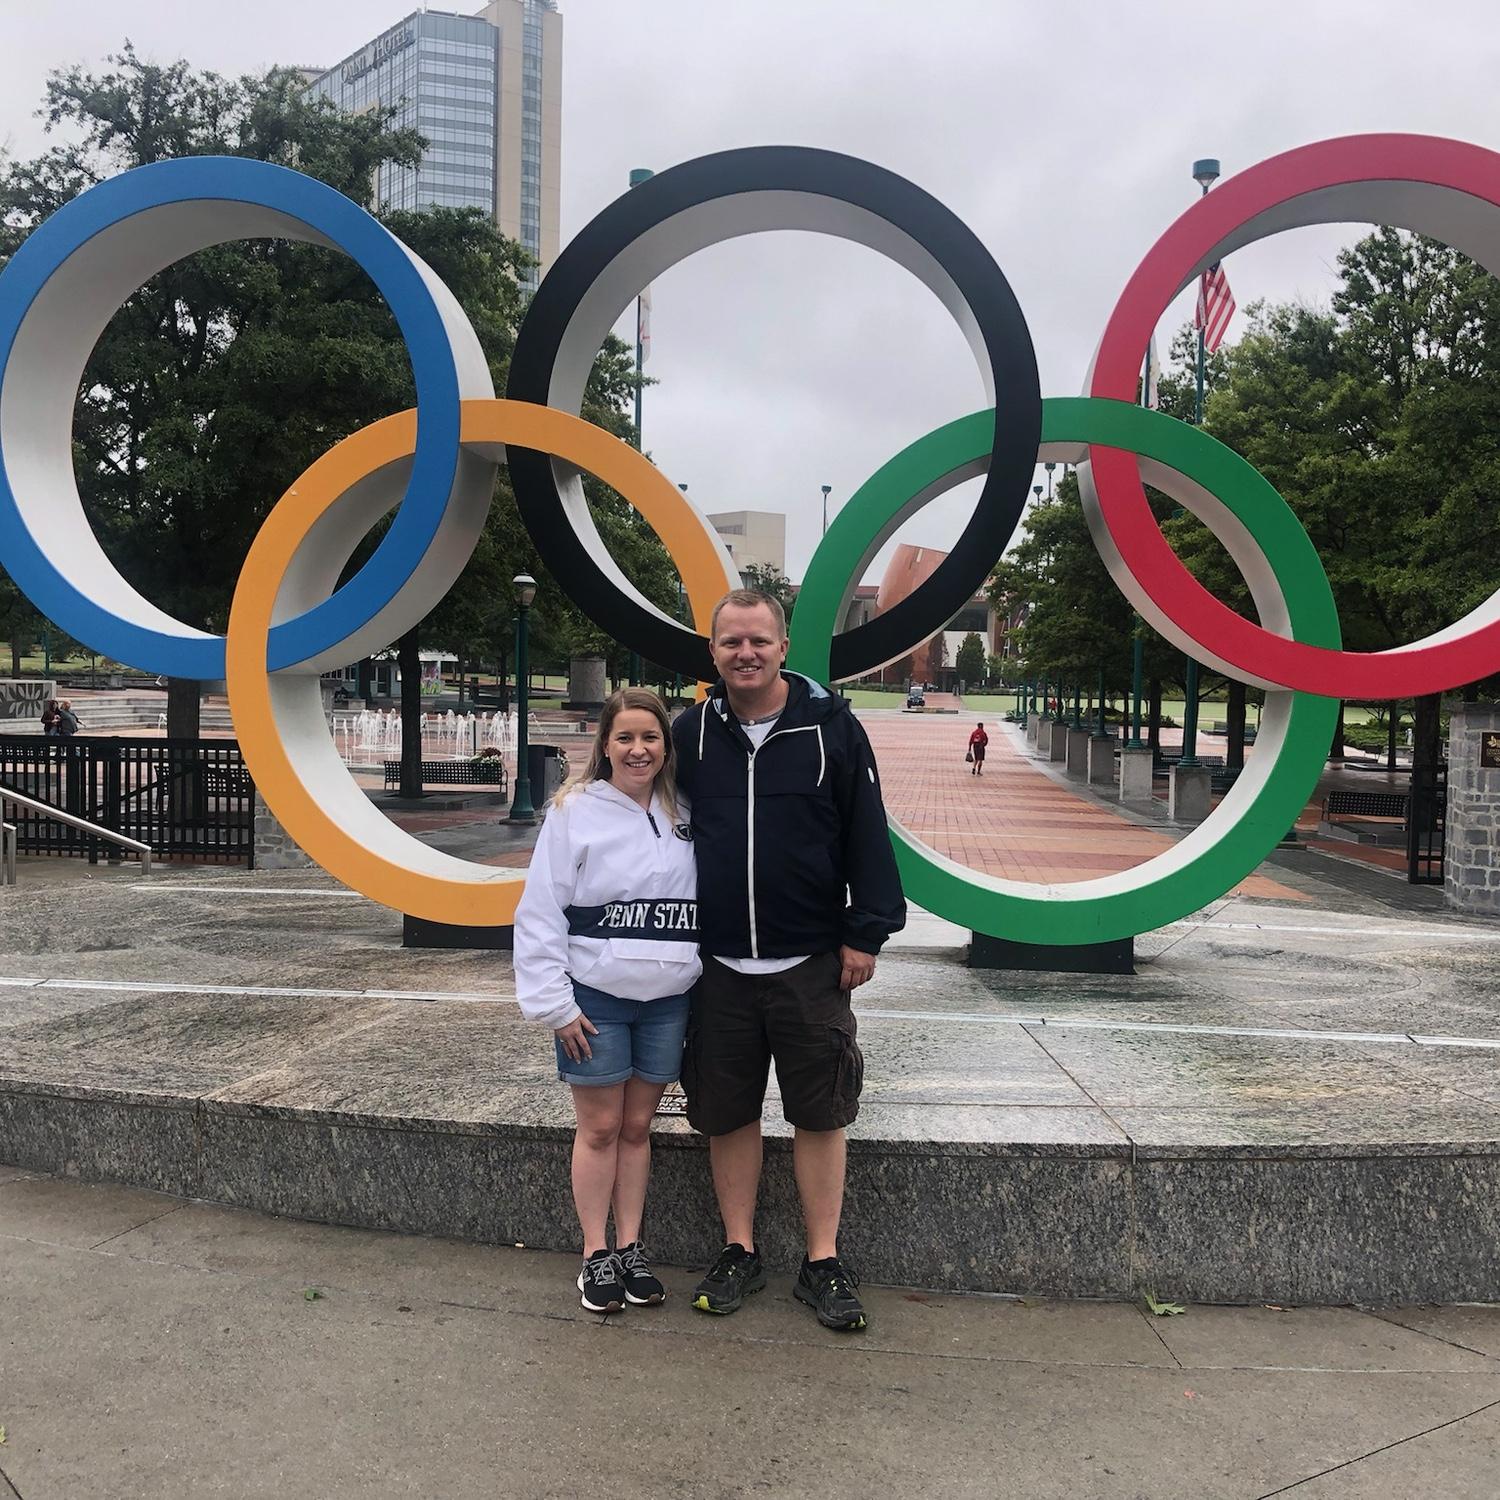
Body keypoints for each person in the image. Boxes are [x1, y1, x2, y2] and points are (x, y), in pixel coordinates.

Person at [673, 588, 906, 1333]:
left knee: (821, 1112)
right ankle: (739, 1248)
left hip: (811, 962)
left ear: (783, 649)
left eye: (759, 641)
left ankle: (822, 1260)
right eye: (731, 642)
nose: (746, 654)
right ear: (712, 653)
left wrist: (866, 932)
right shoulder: (690, 734)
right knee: (727, 1113)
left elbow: (867, 831)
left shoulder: (832, 728)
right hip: (718, 967)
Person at [513, 687, 699, 1315]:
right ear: (605, 745)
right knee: (599, 1127)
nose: (638, 749)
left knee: (640, 1126)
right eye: (625, 738)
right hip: (595, 997)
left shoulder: (686, 811)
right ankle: (595, 1253)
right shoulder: (574, 811)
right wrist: (555, 1004)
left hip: (668, 999)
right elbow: (541, 910)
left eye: (650, 737)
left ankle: (629, 1247)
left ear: (666, 746)